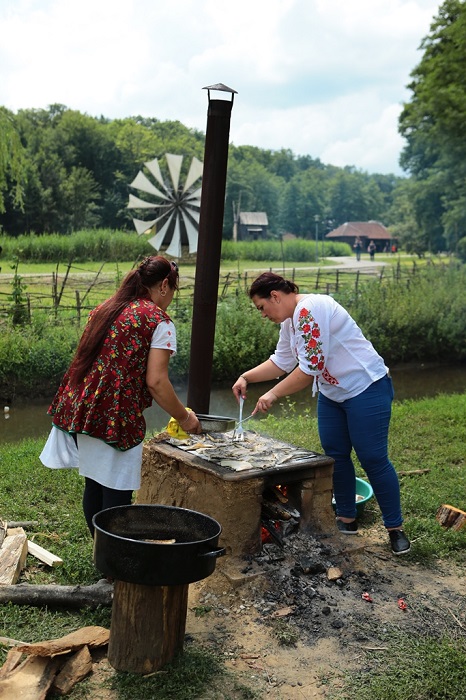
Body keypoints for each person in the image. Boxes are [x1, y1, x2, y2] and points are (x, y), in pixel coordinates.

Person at [232, 272, 410, 555]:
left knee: (373, 458)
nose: (263, 314)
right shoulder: (289, 321)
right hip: (332, 393)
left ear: (275, 296)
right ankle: (347, 519)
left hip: (365, 387)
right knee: (335, 455)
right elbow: (281, 361)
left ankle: (395, 528)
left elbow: (309, 369)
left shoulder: (310, 309)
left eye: (262, 307)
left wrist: (273, 393)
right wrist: (246, 377)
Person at [40, 255, 201, 536]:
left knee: (94, 482)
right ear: (164, 285)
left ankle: (100, 547)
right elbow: (156, 382)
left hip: (82, 408)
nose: (171, 297)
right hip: (114, 415)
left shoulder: (107, 308)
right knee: (116, 491)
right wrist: (185, 418)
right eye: (174, 290)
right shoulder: (158, 321)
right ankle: (113, 553)